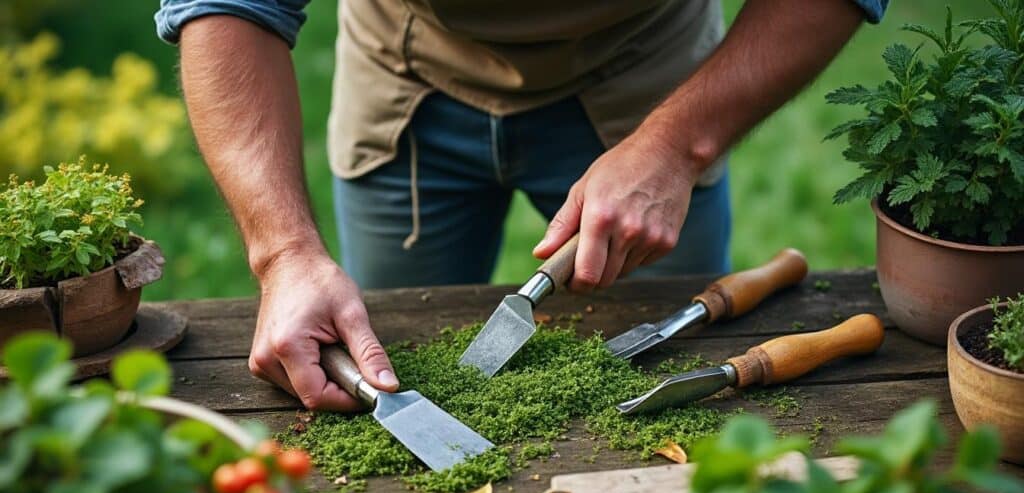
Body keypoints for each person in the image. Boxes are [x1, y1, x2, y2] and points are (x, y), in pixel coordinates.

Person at [155, 0, 887, 411]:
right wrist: (284, 254)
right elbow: (228, 4)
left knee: (669, 343)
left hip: (646, 78)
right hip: (409, 68)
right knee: (393, 340)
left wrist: (676, 147)